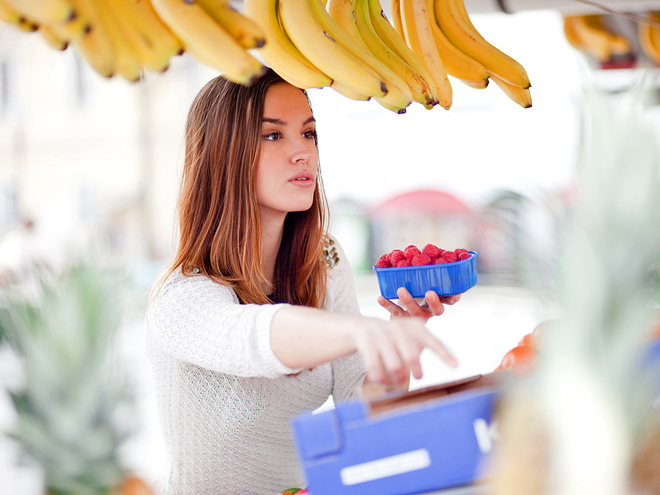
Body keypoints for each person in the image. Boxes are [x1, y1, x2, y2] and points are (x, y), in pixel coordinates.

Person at [145, 68, 461, 495]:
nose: (304, 154)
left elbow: (359, 401)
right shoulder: (181, 296)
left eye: (309, 133)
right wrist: (359, 331)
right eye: (273, 136)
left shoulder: (324, 262)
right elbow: (255, 339)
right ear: (225, 155)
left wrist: (398, 338)